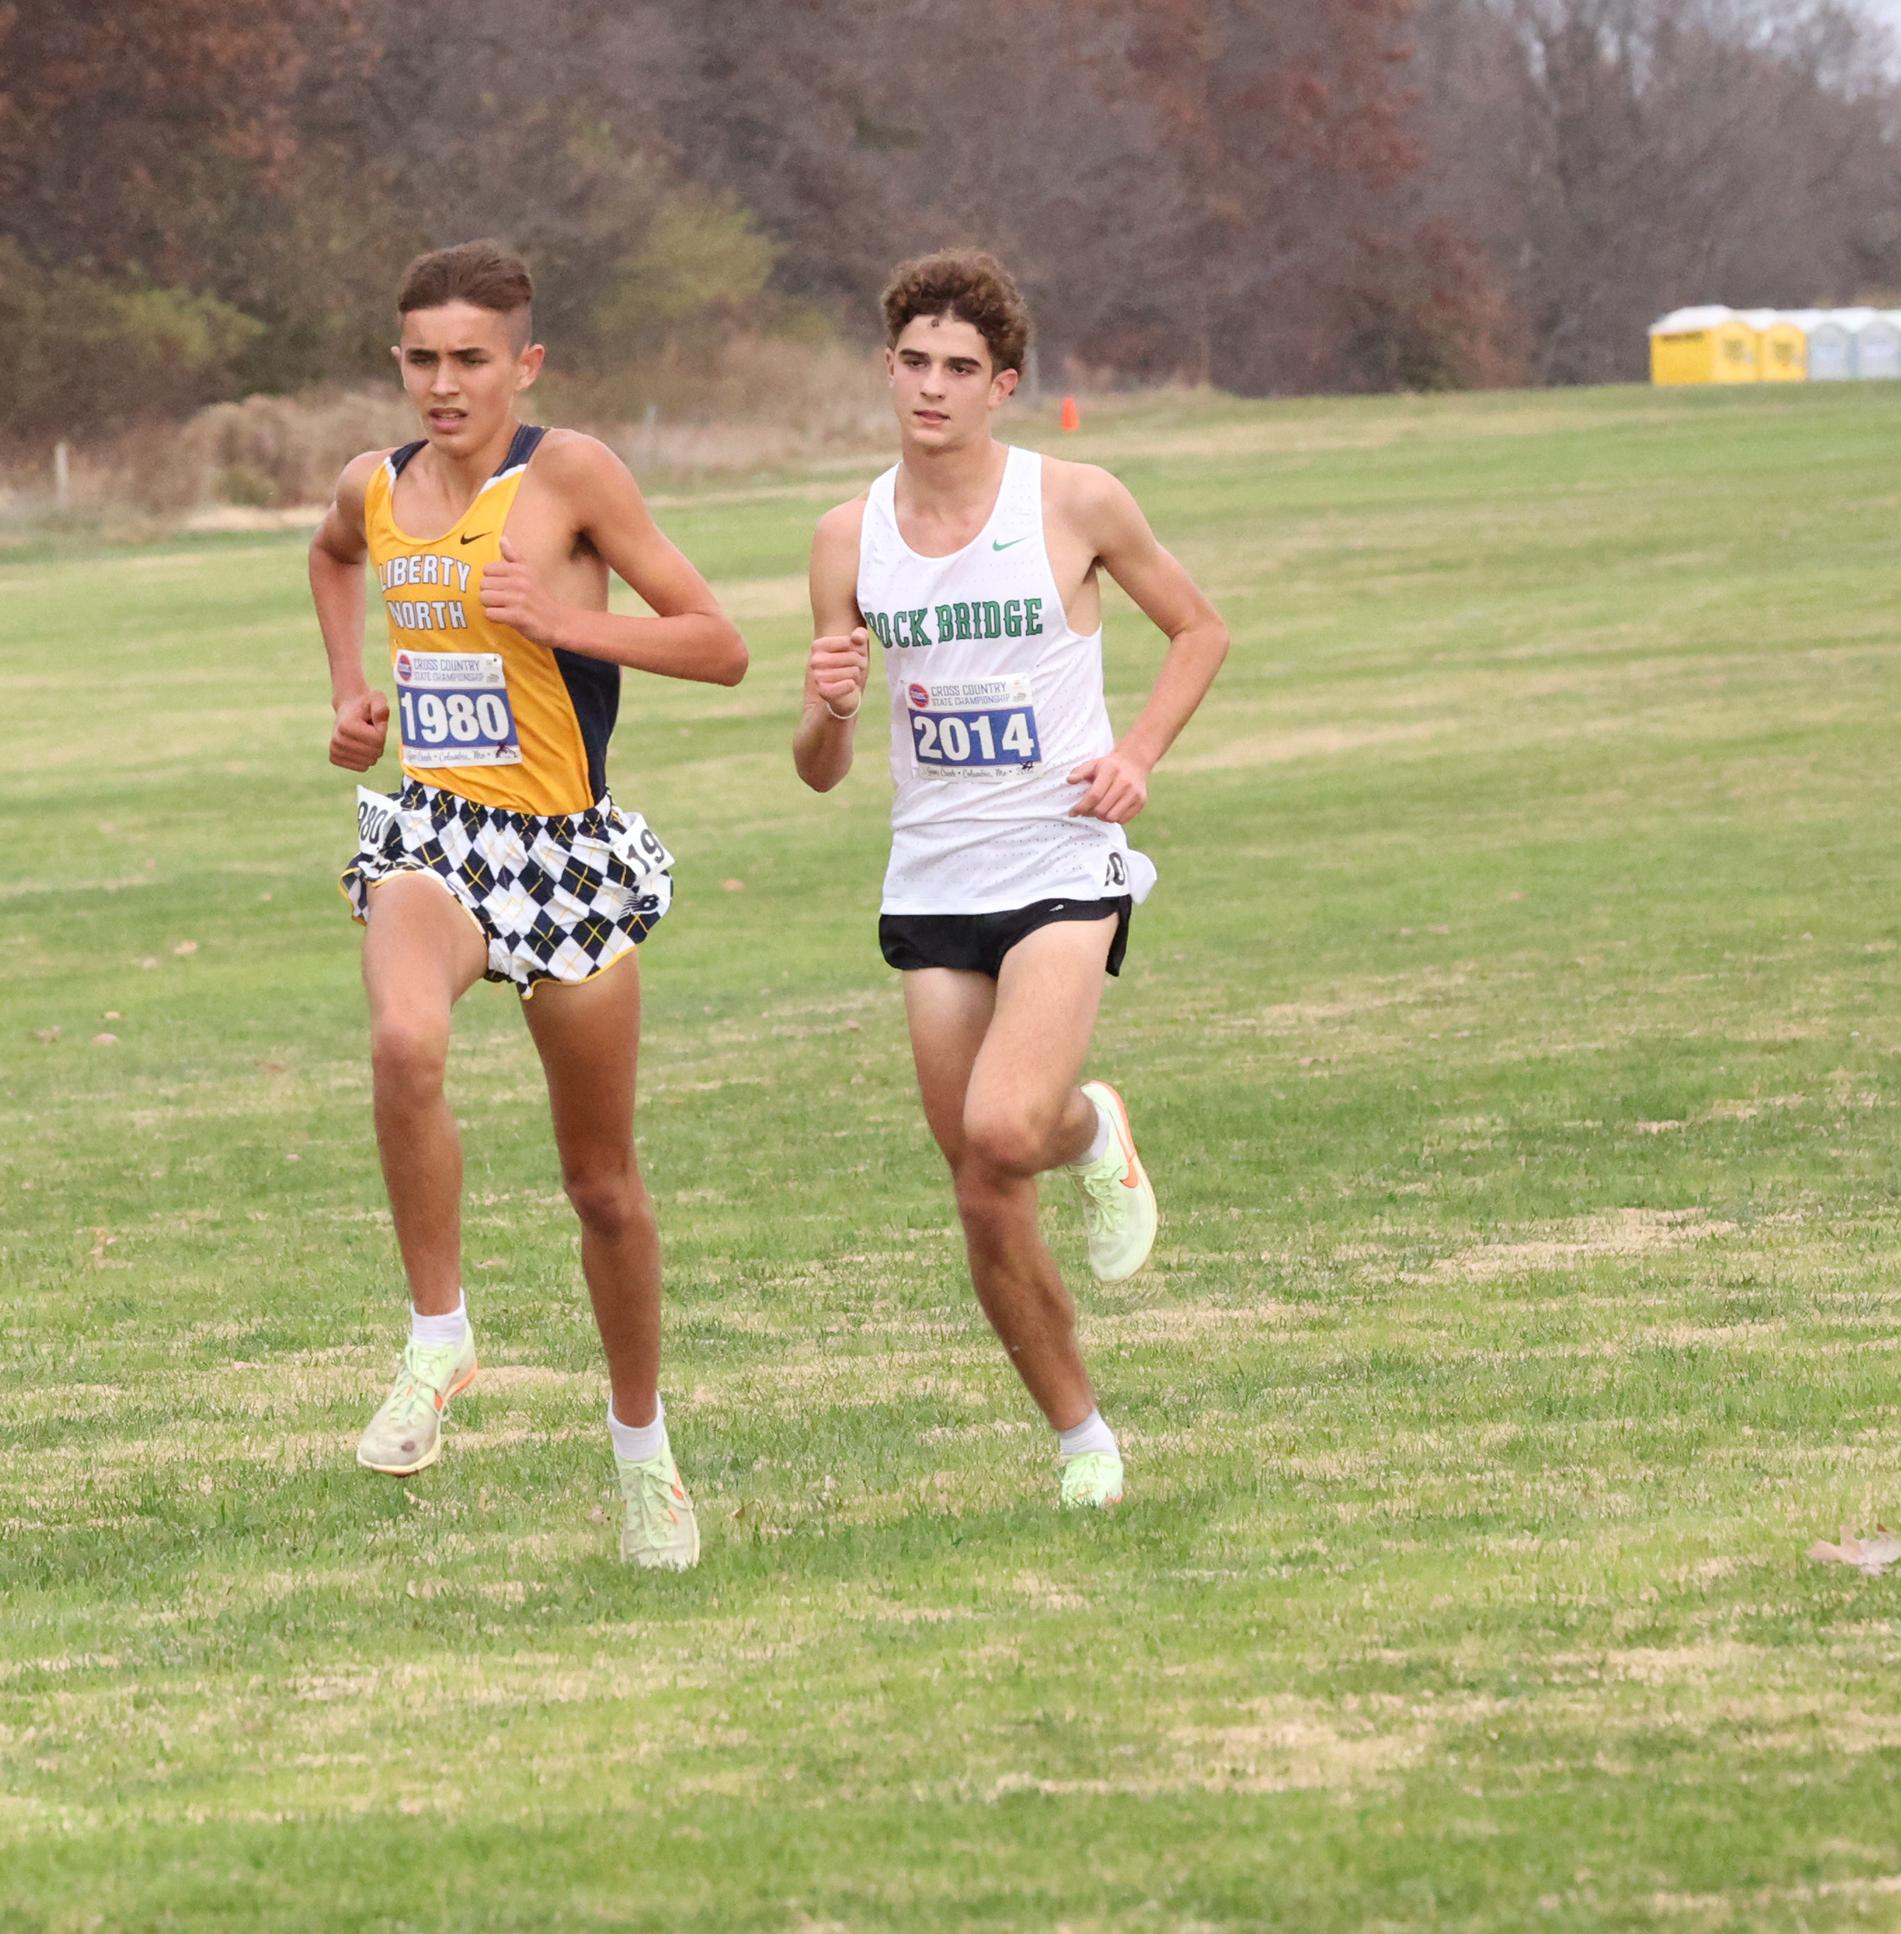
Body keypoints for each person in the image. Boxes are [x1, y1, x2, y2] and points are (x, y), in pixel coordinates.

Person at [306, 239, 751, 1569]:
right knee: (402, 1041)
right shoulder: (371, 487)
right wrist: (347, 693)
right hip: (436, 839)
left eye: (471, 360)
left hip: (564, 856)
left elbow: (719, 646)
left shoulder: (569, 477)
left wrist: (567, 624)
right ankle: (438, 1339)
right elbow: (331, 560)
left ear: (525, 364)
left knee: (603, 1188)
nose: (444, 385)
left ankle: (643, 1454)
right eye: (422, 359)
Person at [790, 250, 1229, 1510]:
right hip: (930, 882)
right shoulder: (844, 538)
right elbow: (820, 769)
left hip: (1060, 858)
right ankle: (1081, 1435)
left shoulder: (1075, 501)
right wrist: (825, 712)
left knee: (1000, 1126)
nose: (932, 388)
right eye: (914, 364)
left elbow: (1200, 627)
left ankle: (1086, 1122)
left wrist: (1136, 753)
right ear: (887, 372)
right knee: (987, 1194)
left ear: (1006, 387)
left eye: (960, 369)